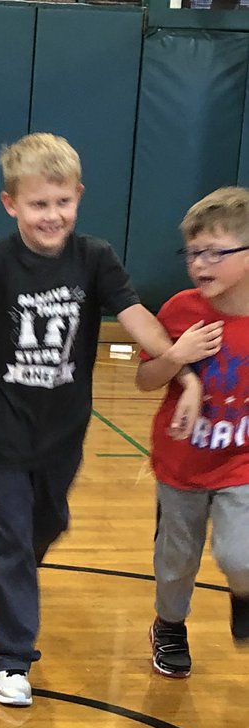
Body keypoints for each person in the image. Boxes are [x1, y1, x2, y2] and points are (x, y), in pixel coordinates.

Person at [0, 132, 205, 707]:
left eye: (62, 202)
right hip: (2, 430)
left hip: (64, 430)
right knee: (11, 540)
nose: (52, 216)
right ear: (11, 203)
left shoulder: (94, 258)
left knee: (47, 522)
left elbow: (136, 316)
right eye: (38, 204)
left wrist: (180, 367)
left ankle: (11, 574)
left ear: (79, 196)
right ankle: (12, 657)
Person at [136, 186, 248, 678]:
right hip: (180, 466)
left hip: (239, 463)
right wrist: (178, 359)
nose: (200, 263)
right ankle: (169, 624)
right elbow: (145, 379)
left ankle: (243, 595)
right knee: (177, 562)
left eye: (215, 253)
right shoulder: (181, 311)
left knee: (240, 553)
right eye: (193, 253)